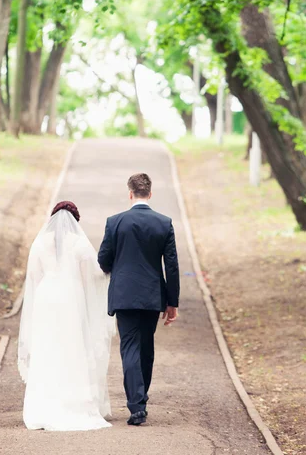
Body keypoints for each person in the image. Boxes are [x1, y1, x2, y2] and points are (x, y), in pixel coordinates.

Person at [18, 201, 114, 432]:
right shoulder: (79, 243)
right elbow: (90, 277)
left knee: (47, 347)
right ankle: (75, 402)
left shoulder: (40, 242)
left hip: (46, 296)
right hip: (70, 297)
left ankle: (43, 405)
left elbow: (33, 275)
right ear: (75, 221)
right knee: (72, 347)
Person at [98, 173, 180, 426]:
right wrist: (172, 303)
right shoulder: (164, 223)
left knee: (130, 347)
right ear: (150, 194)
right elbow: (172, 266)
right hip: (152, 295)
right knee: (146, 348)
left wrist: (119, 269)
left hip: (124, 295)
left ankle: (136, 404)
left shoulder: (115, 222)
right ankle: (140, 400)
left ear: (130, 193)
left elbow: (103, 259)